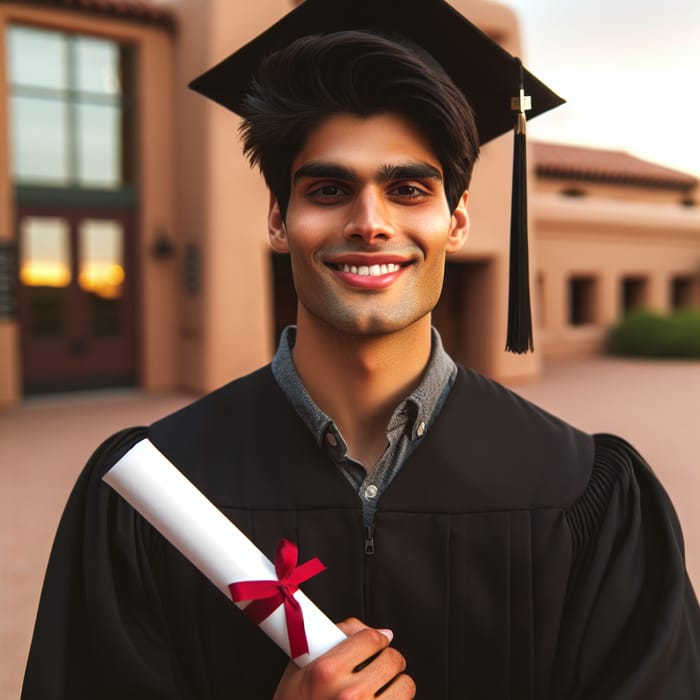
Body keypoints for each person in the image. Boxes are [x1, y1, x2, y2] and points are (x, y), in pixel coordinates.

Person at [22, 1, 700, 698]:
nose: (370, 223)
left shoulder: (585, 493)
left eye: (408, 189)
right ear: (279, 221)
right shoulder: (151, 494)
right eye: (329, 189)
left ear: (456, 222)